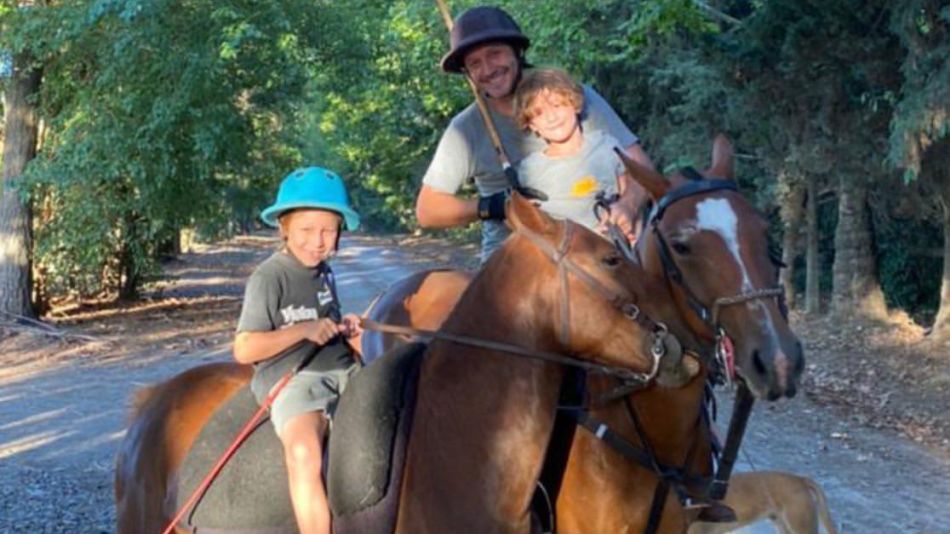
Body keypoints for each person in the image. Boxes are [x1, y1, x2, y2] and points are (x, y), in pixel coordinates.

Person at [415, 5, 654, 263]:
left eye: (494, 54)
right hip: (514, 261)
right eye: (474, 63)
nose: (487, 69)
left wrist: (628, 205)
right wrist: (496, 206)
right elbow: (428, 210)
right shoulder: (465, 129)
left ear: (517, 52)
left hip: (602, 247)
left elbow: (642, 169)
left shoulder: (571, 96)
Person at [233, 167, 363, 534]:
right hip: (295, 380)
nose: (318, 241)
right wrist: (304, 330)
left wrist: (343, 328)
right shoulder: (269, 277)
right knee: (304, 452)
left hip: (343, 370)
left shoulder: (325, 272)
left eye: (328, 230)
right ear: (284, 227)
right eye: (306, 230)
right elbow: (244, 348)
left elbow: (325, 319)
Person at [513, 67, 631, 234]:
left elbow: (630, 191)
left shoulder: (606, 145)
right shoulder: (530, 170)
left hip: (617, 248)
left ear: (575, 104)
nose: (551, 118)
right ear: (532, 125)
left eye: (557, 105)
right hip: (566, 256)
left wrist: (626, 213)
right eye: (539, 113)